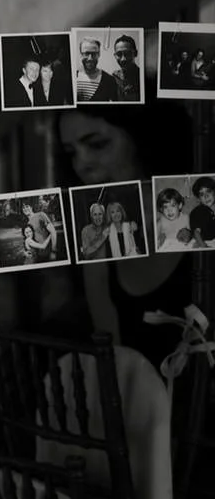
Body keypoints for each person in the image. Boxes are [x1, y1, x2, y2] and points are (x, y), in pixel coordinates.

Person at [59, 101, 198, 371]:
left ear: (141, 137)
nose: (82, 164)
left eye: (97, 144)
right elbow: (115, 365)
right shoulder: (97, 242)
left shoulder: (198, 206)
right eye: (71, 153)